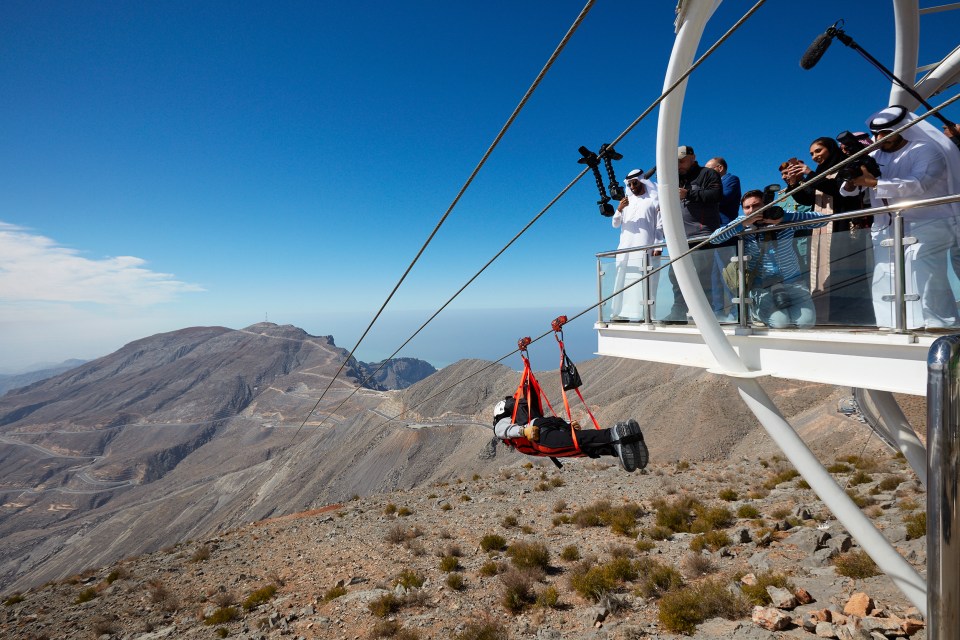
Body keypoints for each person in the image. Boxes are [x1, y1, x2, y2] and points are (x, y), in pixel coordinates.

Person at [841, 105, 960, 329]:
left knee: (924, 274)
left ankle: (940, 325)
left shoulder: (926, 150)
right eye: (877, 134)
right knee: (885, 276)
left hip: (927, 223)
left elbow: (919, 184)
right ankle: (892, 325)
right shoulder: (873, 154)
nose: (880, 138)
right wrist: (852, 179)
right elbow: (849, 191)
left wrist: (875, 183)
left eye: (886, 133)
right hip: (885, 227)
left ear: (902, 129)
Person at [787, 137, 874, 326]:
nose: (814, 156)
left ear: (831, 149)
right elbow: (807, 199)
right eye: (811, 154)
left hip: (843, 227)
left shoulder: (845, 166)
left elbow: (838, 190)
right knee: (819, 271)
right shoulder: (819, 172)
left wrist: (810, 175)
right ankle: (824, 316)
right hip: (820, 229)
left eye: (818, 151)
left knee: (842, 271)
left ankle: (849, 316)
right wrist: (794, 184)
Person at [709, 190, 828, 329]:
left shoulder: (781, 217)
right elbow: (714, 239)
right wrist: (742, 224)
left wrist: (785, 218)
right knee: (780, 323)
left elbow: (823, 220)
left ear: (766, 205)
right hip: (762, 288)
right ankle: (755, 312)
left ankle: (774, 312)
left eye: (756, 205)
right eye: (747, 208)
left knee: (805, 323)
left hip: (792, 283)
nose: (752, 210)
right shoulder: (743, 224)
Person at [491, 398, 649, 472]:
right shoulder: (524, 414)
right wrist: (566, 424)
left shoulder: (502, 421)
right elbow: (547, 421)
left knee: (578, 442)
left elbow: (501, 431)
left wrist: (523, 431)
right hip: (548, 424)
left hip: (540, 436)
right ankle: (625, 443)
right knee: (583, 448)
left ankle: (613, 434)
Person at [664, 146, 724, 322]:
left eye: (681, 161)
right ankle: (679, 311)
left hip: (702, 234)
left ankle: (706, 313)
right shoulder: (676, 178)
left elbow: (717, 194)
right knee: (675, 274)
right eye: (675, 162)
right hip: (680, 237)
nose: (678, 165)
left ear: (693, 157)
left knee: (702, 275)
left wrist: (689, 193)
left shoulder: (707, 174)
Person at [611, 169, 662, 321]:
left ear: (642, 181)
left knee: (646, 281)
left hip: (645, 247)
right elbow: (615, 224)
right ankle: (619, 314)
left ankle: (645, 315)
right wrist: (619, 209)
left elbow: (660, 226)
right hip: (625, 247)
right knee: (622, 279)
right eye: (629, 184)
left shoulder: (654, 200)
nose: (632, 187)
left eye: (635, 183)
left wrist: (658, 246)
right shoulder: (626, 202)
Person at [705, 157, 742, 321]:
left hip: (726, 233)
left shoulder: (731, 180)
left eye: (709, 170)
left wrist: (701, 194)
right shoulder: (713, 185)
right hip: (713, 235)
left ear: (719, 168)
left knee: (728, 274)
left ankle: (736, 312)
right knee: (715, 277)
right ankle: (718, 311)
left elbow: (722, 198)